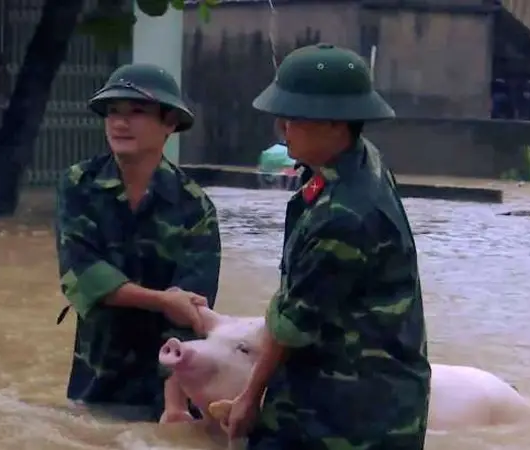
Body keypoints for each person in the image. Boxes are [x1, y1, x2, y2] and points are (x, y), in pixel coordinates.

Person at [222, 44, 431, 449]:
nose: (283, 128)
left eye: (296, 117)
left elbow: (291, 326)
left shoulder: (344, 215)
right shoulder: (360, 160)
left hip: (345, 418)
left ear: (337, 123)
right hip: (370, 398)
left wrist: (249, 397)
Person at [53, 63, 222, 423]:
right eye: (113, 112)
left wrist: (174, 406)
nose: (119, 123)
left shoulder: (194, 205)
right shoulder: (79, 184)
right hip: (94, 381)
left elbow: (191, 311)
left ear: (170, 123)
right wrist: (162, 300)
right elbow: (82, 277)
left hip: (163, 389)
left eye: (137, 112)